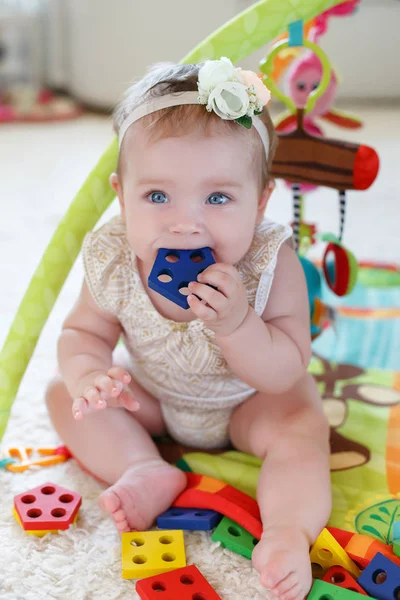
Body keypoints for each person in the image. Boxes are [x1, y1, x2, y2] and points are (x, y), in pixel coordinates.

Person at [46, 57, 331, 599]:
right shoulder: (112, 256)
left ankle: (287, 530)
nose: (185, 222)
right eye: (156, 196)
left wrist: (239, 322)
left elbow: (284, 368)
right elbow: (83, 333)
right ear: (121, 196)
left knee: (301, 429)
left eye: (218, 197)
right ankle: (143, 467)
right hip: (155, 393)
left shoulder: (270, 262)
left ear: (261, 201)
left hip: (253, 401)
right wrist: (90, 376)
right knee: (63, 395)